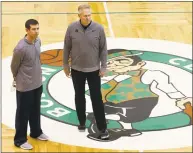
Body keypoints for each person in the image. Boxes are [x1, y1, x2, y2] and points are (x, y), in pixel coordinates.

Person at [63, 4, 109, 140]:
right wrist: (65, 64)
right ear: (79, 16)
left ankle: (102, 128)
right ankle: (82, 122)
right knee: (79, 96)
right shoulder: (71, 28)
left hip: (94, 70)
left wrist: (104, 66)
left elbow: (103, 49)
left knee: (97, 99)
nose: (88, 17)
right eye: (85, 15)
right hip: (77, 70)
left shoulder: (99, 29)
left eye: (89, 15)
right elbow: (66, 47)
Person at [10, 19, 49, 150]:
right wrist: (19, 78)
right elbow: (14, 67)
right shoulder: (20, 48)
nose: (36, 31)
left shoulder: (38, 41)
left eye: (38, 28)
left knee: (35, 110)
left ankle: (36, 132)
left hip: (37, 83)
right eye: (33, 29)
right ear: (27, 30)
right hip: (25, 86)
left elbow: (37, 59)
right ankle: (20, 140)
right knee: (23, 113)